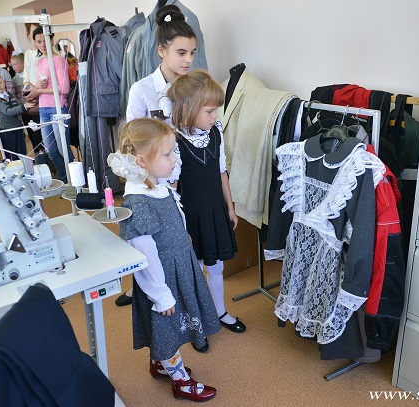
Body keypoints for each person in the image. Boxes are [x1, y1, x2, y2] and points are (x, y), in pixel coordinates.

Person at [109, 118, 219, 402]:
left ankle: (159, 364)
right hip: (162, 276)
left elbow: (173, 215)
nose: (175, 159)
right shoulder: (138, 202)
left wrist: (183, 235)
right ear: (142, 160)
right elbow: (144, 254)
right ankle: (181, 381)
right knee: (167, 326)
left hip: (178, 263)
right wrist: (160, 293)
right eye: (168, 154)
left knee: (169, 325)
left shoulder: (157, 185)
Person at [116, 4, 198, 308]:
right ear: (161, 50)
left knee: (182, 240)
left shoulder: (192, 88)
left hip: (187, 170)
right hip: (154, 178)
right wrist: (149, 181)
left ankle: (188, 299)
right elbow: (132, 140)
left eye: (192, 53)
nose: (188, 60)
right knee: (151, 243)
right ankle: (147, 292)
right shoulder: (142, 90)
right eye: (181, 52)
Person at [167, 70, 247, 341]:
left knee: (216, 267)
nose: (215, 116)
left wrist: (230, 207)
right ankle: (197, 320)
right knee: (195, 270)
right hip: (191, 216)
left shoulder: (216, 132)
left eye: (216, 111)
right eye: (210, 111)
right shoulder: (175, 142)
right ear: (187, 109)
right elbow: (172, 189)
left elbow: (221, 171)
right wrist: (179, 226)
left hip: (215, 210)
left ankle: (220, 311)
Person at [26, 27, 74, 183]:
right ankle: (65, 181)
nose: (42, 44)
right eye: (38, 42)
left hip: (57, 108)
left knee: (62, 148)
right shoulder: (39, 62)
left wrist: (39, 90)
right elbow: (37, 86)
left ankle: (76, 181)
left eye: (44, 40)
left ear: (51, 40)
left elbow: (64, 89)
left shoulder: (58, 60)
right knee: (51, 151)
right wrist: (36, 89)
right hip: (43, 109)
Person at [0, 72, 34, 160]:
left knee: (22, 153)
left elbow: (17, 108)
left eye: (0, 82)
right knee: (12, 156)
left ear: (4, 82)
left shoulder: (10, 94)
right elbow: (8, 111)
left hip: (18, 127)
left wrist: (27, 104)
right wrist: (24, 106)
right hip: (7, 130)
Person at [10, 51, 43, 158]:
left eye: (15, 64)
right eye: (12, 65)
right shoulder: (14, 80)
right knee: (30, 133)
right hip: (24, 110)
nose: (13, 67)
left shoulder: (30, 76)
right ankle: (36, 152)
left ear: (23, 63)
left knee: (39, 131)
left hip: (35, 108)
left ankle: (44, 152)